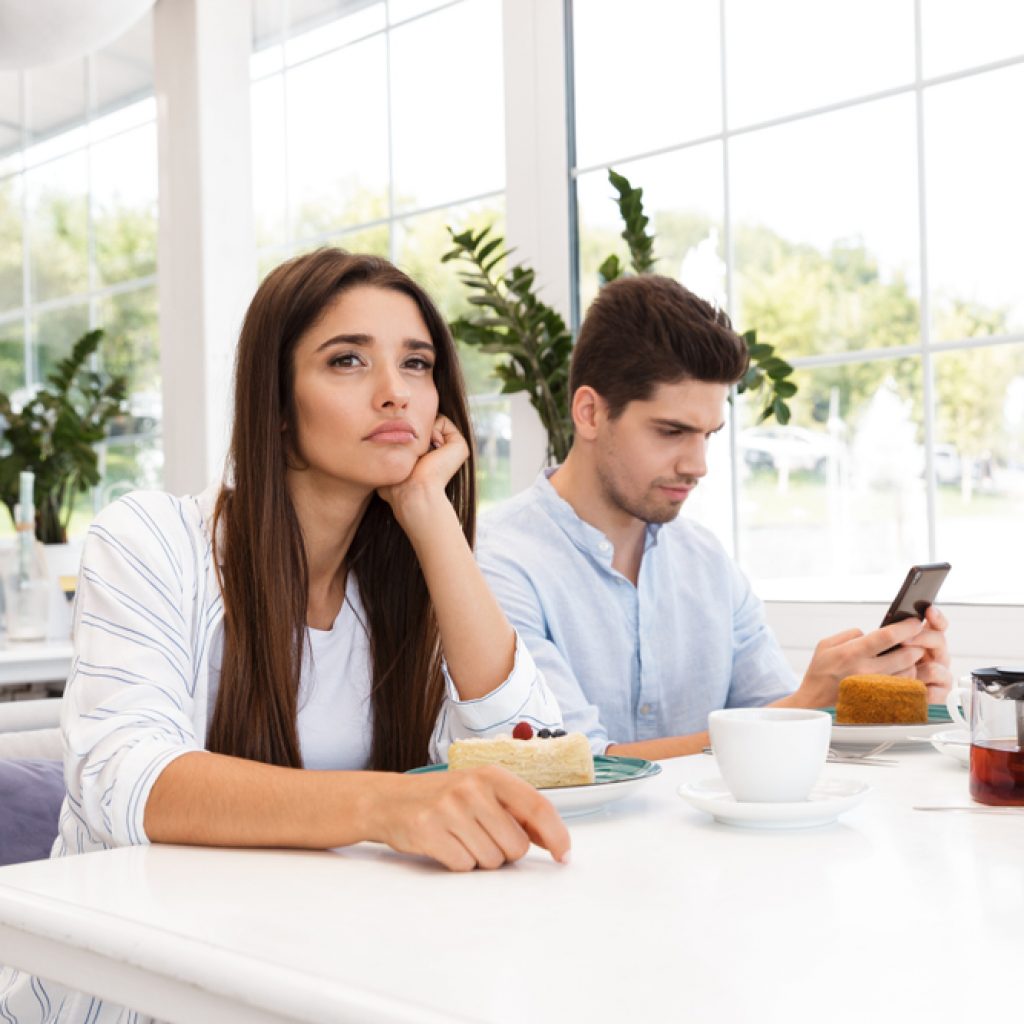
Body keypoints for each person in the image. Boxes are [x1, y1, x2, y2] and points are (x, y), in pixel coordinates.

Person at [0, 250, 570, 1021]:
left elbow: (534, 764)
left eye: (416, 363)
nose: (394, 392)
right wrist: (386, 807)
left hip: (323, 978)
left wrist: (431, 519)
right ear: (274, 402)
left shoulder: (408, 584)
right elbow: (128, 781)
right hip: (138, 994)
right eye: (347, 361)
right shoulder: (153, 540)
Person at [476, 274, 952, 760]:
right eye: (671, 431)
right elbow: (576, 766)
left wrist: (888, 706)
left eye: (709, 434)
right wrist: (807, 706)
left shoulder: (706, 562)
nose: (697, 464)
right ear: (590, 413)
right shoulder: (496, 564)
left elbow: (776, 725)